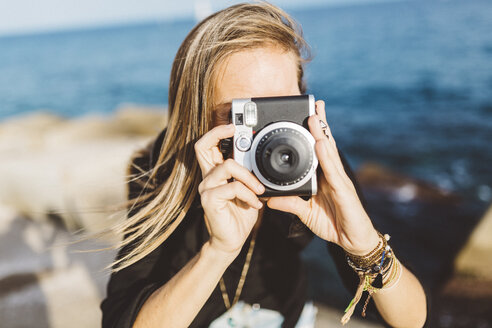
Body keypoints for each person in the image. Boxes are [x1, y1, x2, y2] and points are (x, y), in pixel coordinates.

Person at [101, 2, 427, 327]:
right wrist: (218, 251)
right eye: (243, 115)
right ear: (196, 117)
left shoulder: (313, 162)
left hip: (288, 314)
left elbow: (411, 320)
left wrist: (364, 245)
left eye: (283, 108)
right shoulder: (162, 167)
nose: (270, 136)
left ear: (303, 98)